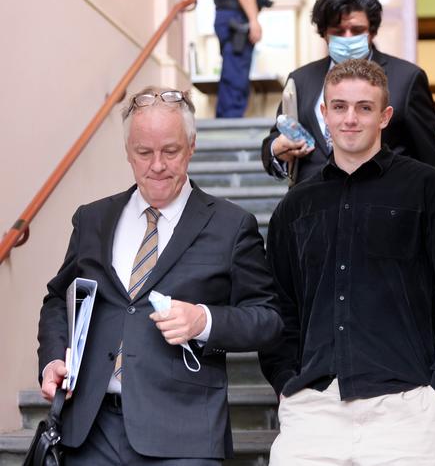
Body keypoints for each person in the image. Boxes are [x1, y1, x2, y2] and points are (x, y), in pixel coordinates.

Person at [37, 86, 283, 465]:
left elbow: (267, 319)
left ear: (192, 146)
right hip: (88, 431)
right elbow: (58, 299)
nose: (157, 165)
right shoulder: (92, 219)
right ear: (128, 152)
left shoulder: (232, 225)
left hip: (185, 436)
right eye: (144, 152)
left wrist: (204, 320)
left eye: (170, 151)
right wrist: (53, 358)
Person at [258, 59, 435, 465]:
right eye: (339, 107)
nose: (350, 118)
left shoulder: (431, 190)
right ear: (323, 115)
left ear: (385, 116)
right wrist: (286, 387)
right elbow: (279, 307)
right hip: (313, 411)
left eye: (364, 107)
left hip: (407, 409)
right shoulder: (295, 207)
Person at [260, 0, 435, 188]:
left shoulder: (407, 79)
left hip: (384, 203)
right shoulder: (301, 79)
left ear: (371, 31)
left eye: (356, 30)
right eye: (338, 30)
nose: (348, 37)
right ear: (324, 33)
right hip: (312, 206)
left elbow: (432, 157)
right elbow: (274, 139)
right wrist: (277, 148)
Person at [212, 0, 271, 117]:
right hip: (236, 16)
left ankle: (227, 122)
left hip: (230, 14)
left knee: (233, 76)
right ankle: (229, 130)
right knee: (235, 79)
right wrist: (253, 20)